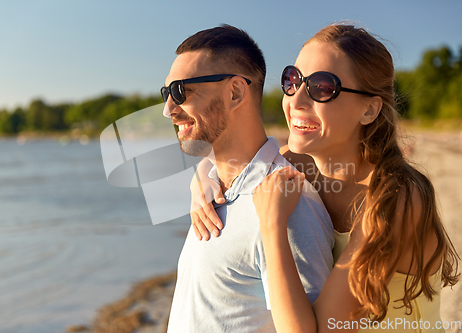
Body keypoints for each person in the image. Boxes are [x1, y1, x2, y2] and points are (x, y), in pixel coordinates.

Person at [193, 24, 459, 332]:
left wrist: (272, 226)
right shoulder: (296, 164)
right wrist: (202, 178)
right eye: (293, 81)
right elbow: (228, 161)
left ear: (369, 109)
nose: (296, 101)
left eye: (321, 88)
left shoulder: (395, 199)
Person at [161, 25, 334, 332]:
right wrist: (203, 172)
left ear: (235, 92)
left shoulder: (290, 207)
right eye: (166, 93)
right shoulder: (209, 191)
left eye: (180, 92)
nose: (168, 109)